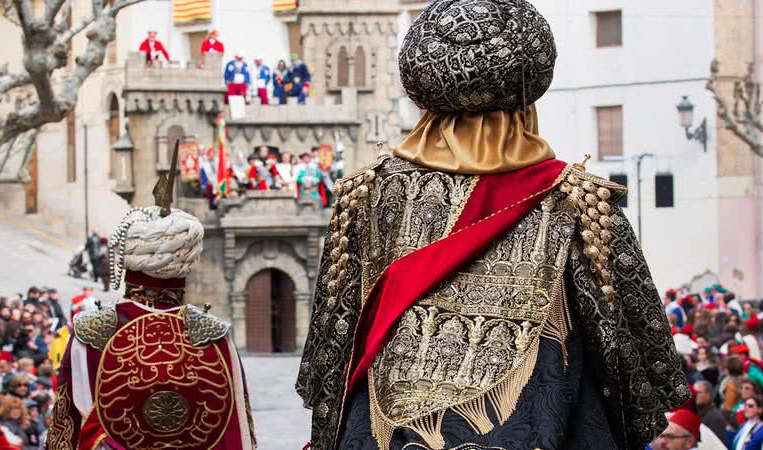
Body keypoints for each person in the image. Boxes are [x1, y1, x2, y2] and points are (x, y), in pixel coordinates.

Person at [295, 2, 689, 449]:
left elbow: (326, 367)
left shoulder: (362, 197)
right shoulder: (582, 204)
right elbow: (634, 375)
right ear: (528, 98)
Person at [46, 151, 256, 450]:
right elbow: (236, 433)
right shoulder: (214, 335)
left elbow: (69, 427)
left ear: (128, 262)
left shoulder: (92, 332)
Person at [694, 380, 730, 446]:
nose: (694, 395)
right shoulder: (697, 413)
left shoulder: (715, 418)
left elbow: (717, 445)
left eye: (698, 392)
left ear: (708, 395)